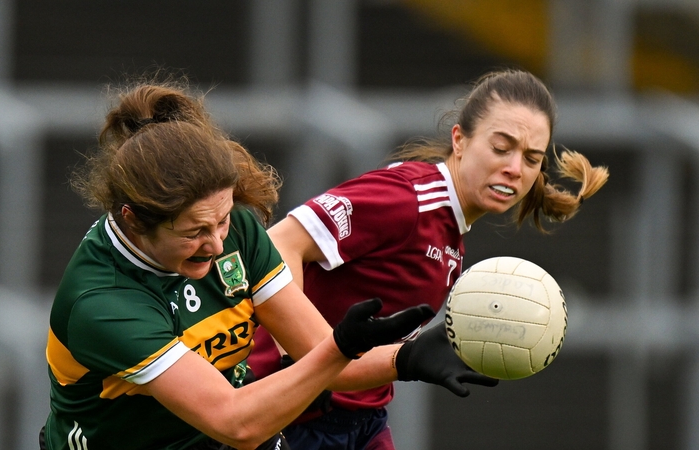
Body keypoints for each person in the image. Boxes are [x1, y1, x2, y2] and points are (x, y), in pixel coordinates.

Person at [40, 78, 491, 450]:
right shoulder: (103, 302)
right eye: (196, 232)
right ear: (133, 221)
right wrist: (341, 347)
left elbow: (325, 358)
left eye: (220, 222)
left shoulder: (236, 228)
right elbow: (235, 421)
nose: (217, 245)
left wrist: (408, 356)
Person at [247, 68, 610, 450]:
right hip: (291, 417)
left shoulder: (451, 235)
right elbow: (278, 244)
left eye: (531, 158)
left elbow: (356, 353)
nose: (514, 168)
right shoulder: (409, 200)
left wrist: (407, 358)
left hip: (361, 419)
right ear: (460, 140)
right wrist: (297, 361)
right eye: (501, 148)